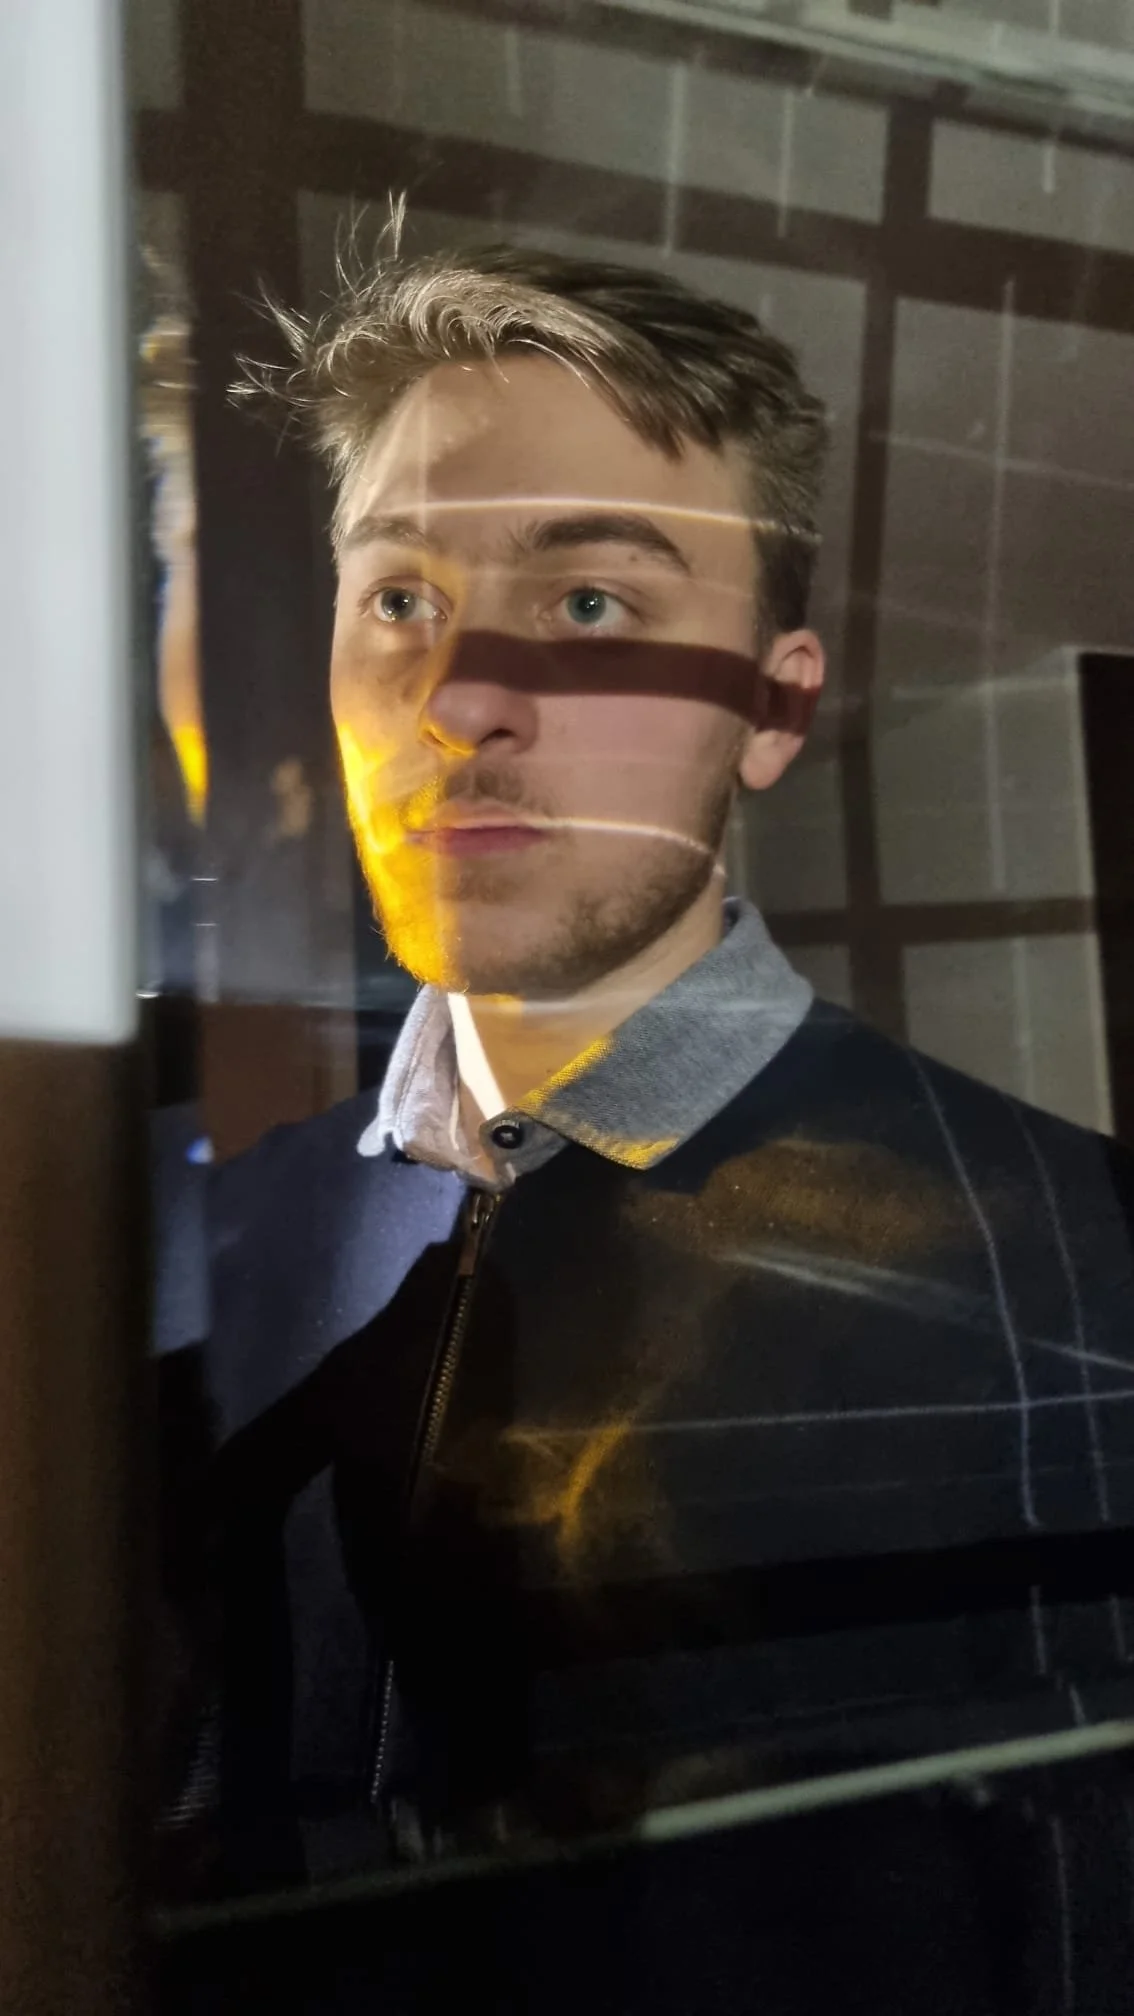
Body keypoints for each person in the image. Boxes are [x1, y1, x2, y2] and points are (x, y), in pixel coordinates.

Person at [156, 223, 1134, 1961]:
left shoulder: (1074, 1259)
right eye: (398, 598)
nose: (461, 695)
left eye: (590, 602)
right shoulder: (196, 1247)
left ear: (770, 706)